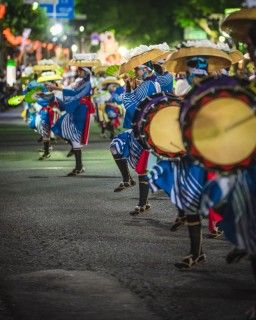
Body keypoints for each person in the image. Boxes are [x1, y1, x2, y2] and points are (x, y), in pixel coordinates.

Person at [48, 57, 97, 176]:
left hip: (81, 110)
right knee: (59, 127)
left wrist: (56, 88)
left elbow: (75, 94)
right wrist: (56, 89)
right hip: (76, 108)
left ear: (85, 72)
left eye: (80, 70)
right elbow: (69, 90)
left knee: (74, 135)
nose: (78, 72)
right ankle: (77, 161)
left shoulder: (88, 84)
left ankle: (78, 166)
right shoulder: (80, 82)